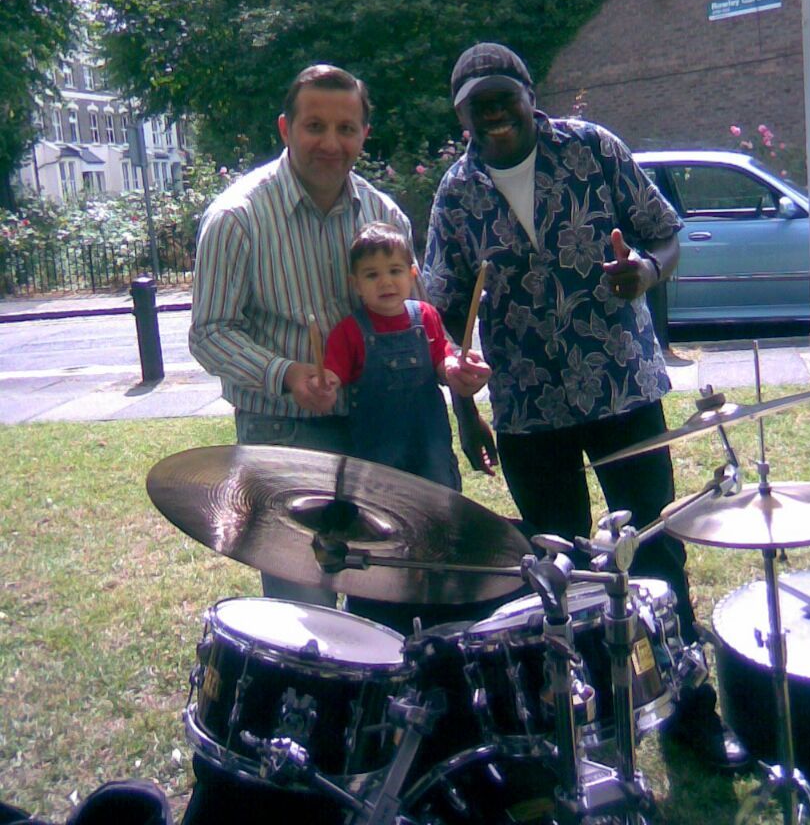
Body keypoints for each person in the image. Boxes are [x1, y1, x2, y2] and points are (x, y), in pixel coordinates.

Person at [423, 41, 750, 772]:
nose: (494, 115)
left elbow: (664, 234)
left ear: (529, 95)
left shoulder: (594, 149)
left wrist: (647, 272)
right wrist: (464, 409)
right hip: (527, 408)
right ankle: (587, 726)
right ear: (462, 115)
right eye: (477, 106)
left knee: (655, 549)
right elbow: (444, 311)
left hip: (619, 389)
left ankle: (691, 713)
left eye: (503, 98)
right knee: (559, 568)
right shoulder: (456, 193)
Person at [189, 63, 413, 607]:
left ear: (364, 134)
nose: (331, 143)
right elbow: (209, 332)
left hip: (377, 428)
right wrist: (286, 374)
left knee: (383, 601)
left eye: (346, 128)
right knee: (305, 611)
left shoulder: (384, 215)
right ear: (286, 128)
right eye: (315, 126)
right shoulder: (237, 218)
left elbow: (411, 317)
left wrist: (451, 365)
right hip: (283, 430)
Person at [306, 220, 491, 490]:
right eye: (372, 275)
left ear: (412, 275)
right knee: (383, 508)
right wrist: (324, 384)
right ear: (355, 284)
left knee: (439, 503)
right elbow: (333, 374)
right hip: (377, 451)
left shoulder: (426, 316)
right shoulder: (349, 331)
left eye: (395, 271)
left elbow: (441, 357)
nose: (385, 282)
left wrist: (452, 366)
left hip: (431, 445)